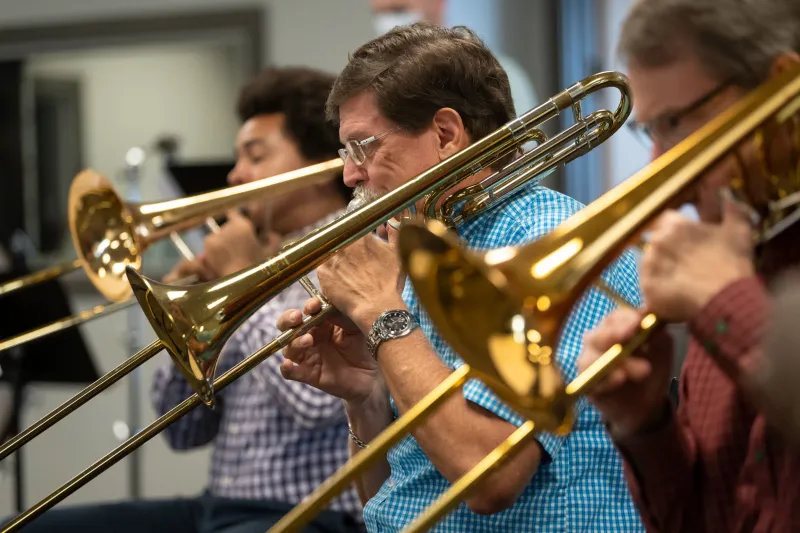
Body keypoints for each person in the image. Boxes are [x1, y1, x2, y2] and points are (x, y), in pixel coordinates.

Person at [276, 22, 644, 532]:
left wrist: (382, 314)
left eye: (362, 147)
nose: (349, 175)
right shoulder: (427, 247)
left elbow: (491, 478)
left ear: (446, 134)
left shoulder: (545, 241)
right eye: (346, 154)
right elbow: (388, 499)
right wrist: (365, 398)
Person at [11, 67, 364, 533]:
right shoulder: (248, 251)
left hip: (311, 515)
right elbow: (184, 432)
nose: (235, 174)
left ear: (321, 167)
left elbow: (316, 404)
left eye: (255, 156)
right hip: (216, 506)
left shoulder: (351, 254)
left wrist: (244, 281)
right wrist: (179, 316)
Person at [575, 0, 800, 531]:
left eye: (674, 123)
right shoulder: (739, 251)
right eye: (648, 132)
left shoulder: (725, 286)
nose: (656, 166)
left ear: (781, 82)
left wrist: (726, 302)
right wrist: (644, 422)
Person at [368, 0, 539, 117]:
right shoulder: (373, 79)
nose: (388, 22)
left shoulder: (495, 72)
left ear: (438, 3)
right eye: (379, 13)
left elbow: (522, 152)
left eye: (398, 10)